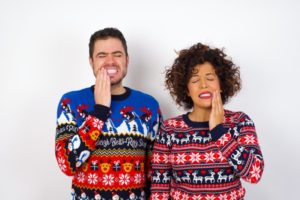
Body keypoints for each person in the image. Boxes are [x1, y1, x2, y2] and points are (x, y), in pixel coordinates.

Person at [55, 27, 162, 200]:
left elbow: (156, 171)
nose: (110, 61)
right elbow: (66, 164)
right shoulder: (71, 102)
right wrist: (100, 112)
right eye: (102, 55)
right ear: (91, 61)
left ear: (127, 60)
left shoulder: (148, 106)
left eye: (117, 54)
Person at [150, 43, 264, 200]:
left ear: (221, 84)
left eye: (210, 78)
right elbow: (159, 189)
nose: (203, 85)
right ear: (186, 90)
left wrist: (219, 131)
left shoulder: (240, 122)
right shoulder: (170, 129)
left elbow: (254, 174)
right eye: (195, 80)